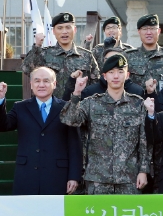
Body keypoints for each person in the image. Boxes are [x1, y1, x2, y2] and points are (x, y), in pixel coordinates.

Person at [60, 54, 150, 195]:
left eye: (120, 72)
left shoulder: (138, 104)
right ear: (104, 76)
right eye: (111, 72)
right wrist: (77, 92)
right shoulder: (91, 103)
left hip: (129, 179)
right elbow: (69, 120)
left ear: (127, 75)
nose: (116, 76)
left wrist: (143, 170)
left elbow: (144, 141)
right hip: (98, 179)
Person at [0, 67, 82, 195]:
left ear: (54, 84)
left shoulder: (66, 108)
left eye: (46, 81)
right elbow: (2, 126)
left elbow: (74, 145)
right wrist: (0, 99)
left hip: (57, 176)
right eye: (37, 81)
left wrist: (74, 176)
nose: (41, 85)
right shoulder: (20, 107)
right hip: (27, 175)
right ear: (31, 85)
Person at [22, 12, 100, 98]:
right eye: (60, 28)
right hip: (51, 106)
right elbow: (27, 69)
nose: (64, 32)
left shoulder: (86, 56)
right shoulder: (44, 54)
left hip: (79, 106)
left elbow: (96, 83)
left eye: (68, 27)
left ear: (74, 30)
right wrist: (37, 46)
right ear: (53, 31)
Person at [62, 47, 145, 100]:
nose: (113, 63)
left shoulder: (137, 92)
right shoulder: (90, 92)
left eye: (117, 60)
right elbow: (71, 117)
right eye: (109, 60)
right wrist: (74, 87)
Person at [125, 14, 163, 96]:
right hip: (136, 106)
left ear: (159, 31)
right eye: (145, 29)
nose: (149, 33)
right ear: (139, 32)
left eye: (152, 29)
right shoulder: (128, 56)